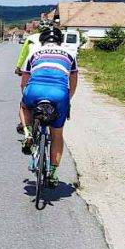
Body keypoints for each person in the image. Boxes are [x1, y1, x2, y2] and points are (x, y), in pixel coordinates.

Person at [19, 26, 78, 187]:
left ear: (42, 40)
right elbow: (73, 81)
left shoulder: (33, 52)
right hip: (59, 94)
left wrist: (27, 97)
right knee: (57, 135)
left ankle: (28, 133)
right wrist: (67, 99)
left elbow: (24, 82)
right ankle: (52, 174)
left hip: (35, 90)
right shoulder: (70, 53)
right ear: (60, 41)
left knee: (24, 106)